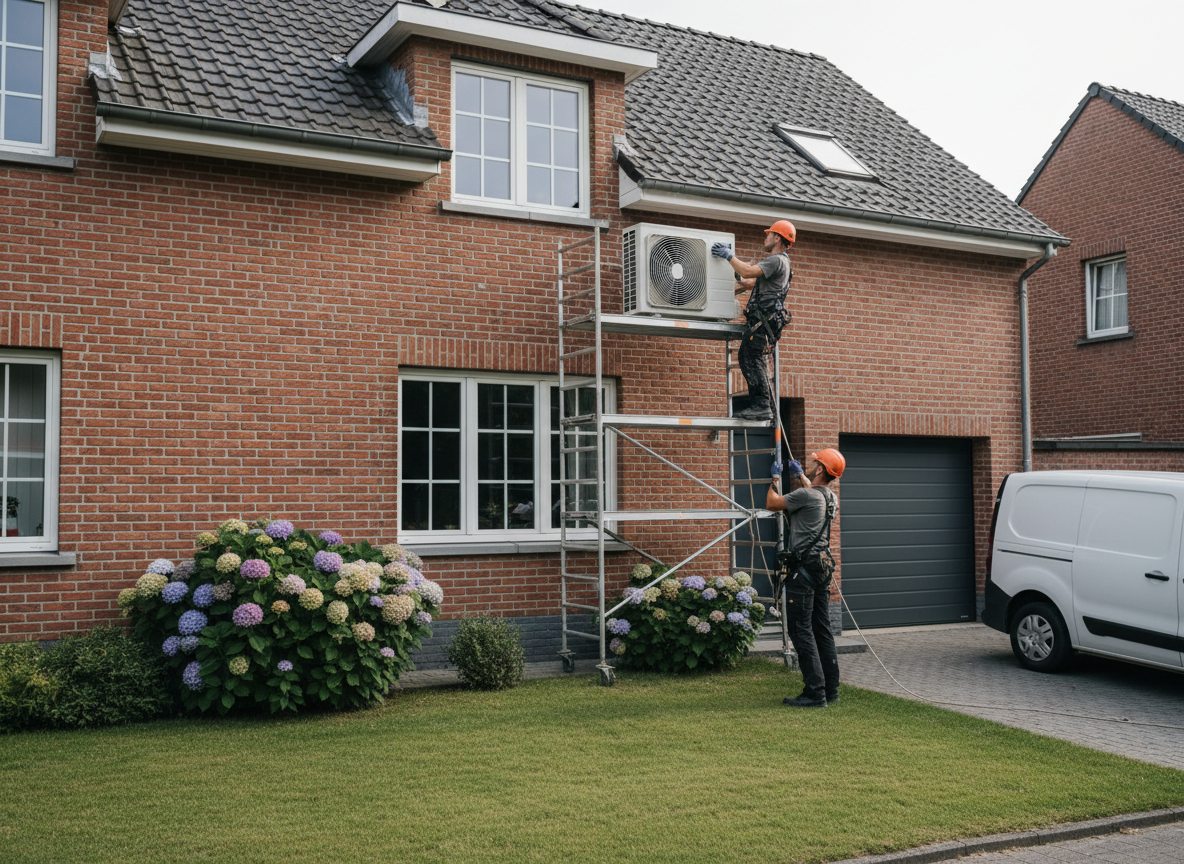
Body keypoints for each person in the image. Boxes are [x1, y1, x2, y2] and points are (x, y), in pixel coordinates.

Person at [766, 447, 846, 708]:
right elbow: (813, 490)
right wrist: (801, 476)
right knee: (821, 628)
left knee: (800, 630)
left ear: (821, 469)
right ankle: (830, 689)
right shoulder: (830, 497)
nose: (811, 465)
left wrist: (774, 480)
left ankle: (815, 692)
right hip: (821, 567)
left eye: (815, 463)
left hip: (804, 568)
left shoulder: (806, 495)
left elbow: (772, 503)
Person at [710, 220, 795, 421]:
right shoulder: (781, 263)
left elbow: (749, 272)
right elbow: (748, 281)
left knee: (751, 358)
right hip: (765, 321)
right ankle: (760, 405)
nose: (765, 237)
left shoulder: (776, 260)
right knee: (749, 357)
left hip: (763, 321)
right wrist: (730, 269)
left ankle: (761, 405)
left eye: (769, 234)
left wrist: (729, 256)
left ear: (777, 238)